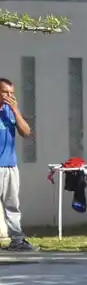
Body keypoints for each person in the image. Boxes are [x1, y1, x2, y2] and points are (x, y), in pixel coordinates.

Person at [0, 77, 34, 251]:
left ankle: (17, 241)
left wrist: (15, 110)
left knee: (12, 206)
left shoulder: (10, 110)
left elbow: (26, 132)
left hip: (10, 166)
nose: (9, 96)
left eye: (11, 93)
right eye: (5, 92)